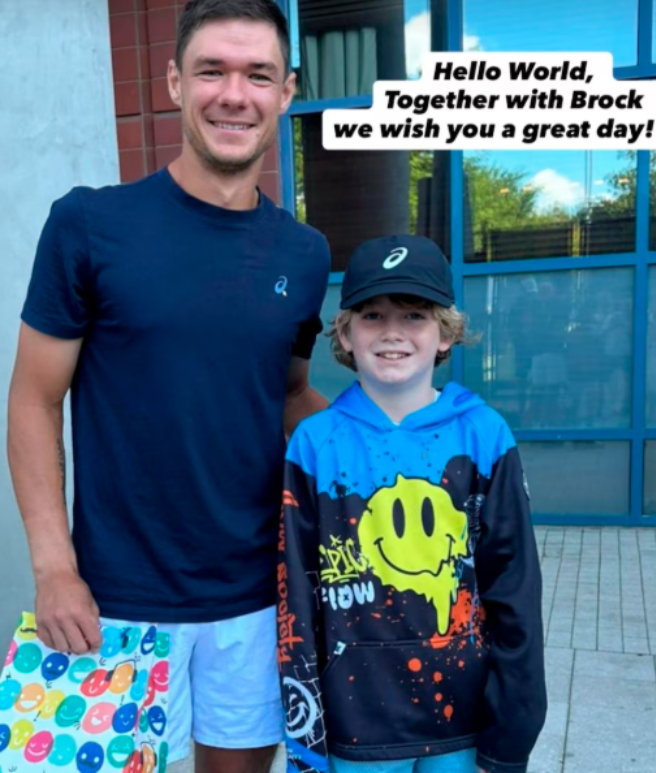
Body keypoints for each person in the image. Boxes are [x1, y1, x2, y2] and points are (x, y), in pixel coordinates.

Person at [7, 1, 330, 771]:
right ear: (175, 82)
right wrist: (54, 567)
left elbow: (289, 395)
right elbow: (33, 398)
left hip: (256, 595)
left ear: (285, 92)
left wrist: (404, 438)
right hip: (111, 597)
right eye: (212, 69)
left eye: (257, 74)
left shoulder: (304, 252)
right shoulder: (89, 224)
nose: (234, 93)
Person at [277, 235, 547, 773]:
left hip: (463, 720)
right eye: (373, 315)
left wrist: (513, 726)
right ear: (346, 333)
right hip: (357, 725)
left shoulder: (484, 436)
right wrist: (305, 739)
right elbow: (296, 599)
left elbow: (514, 589)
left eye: (414, 315)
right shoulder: (314, 443)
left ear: (445, 333)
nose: (393, 332)